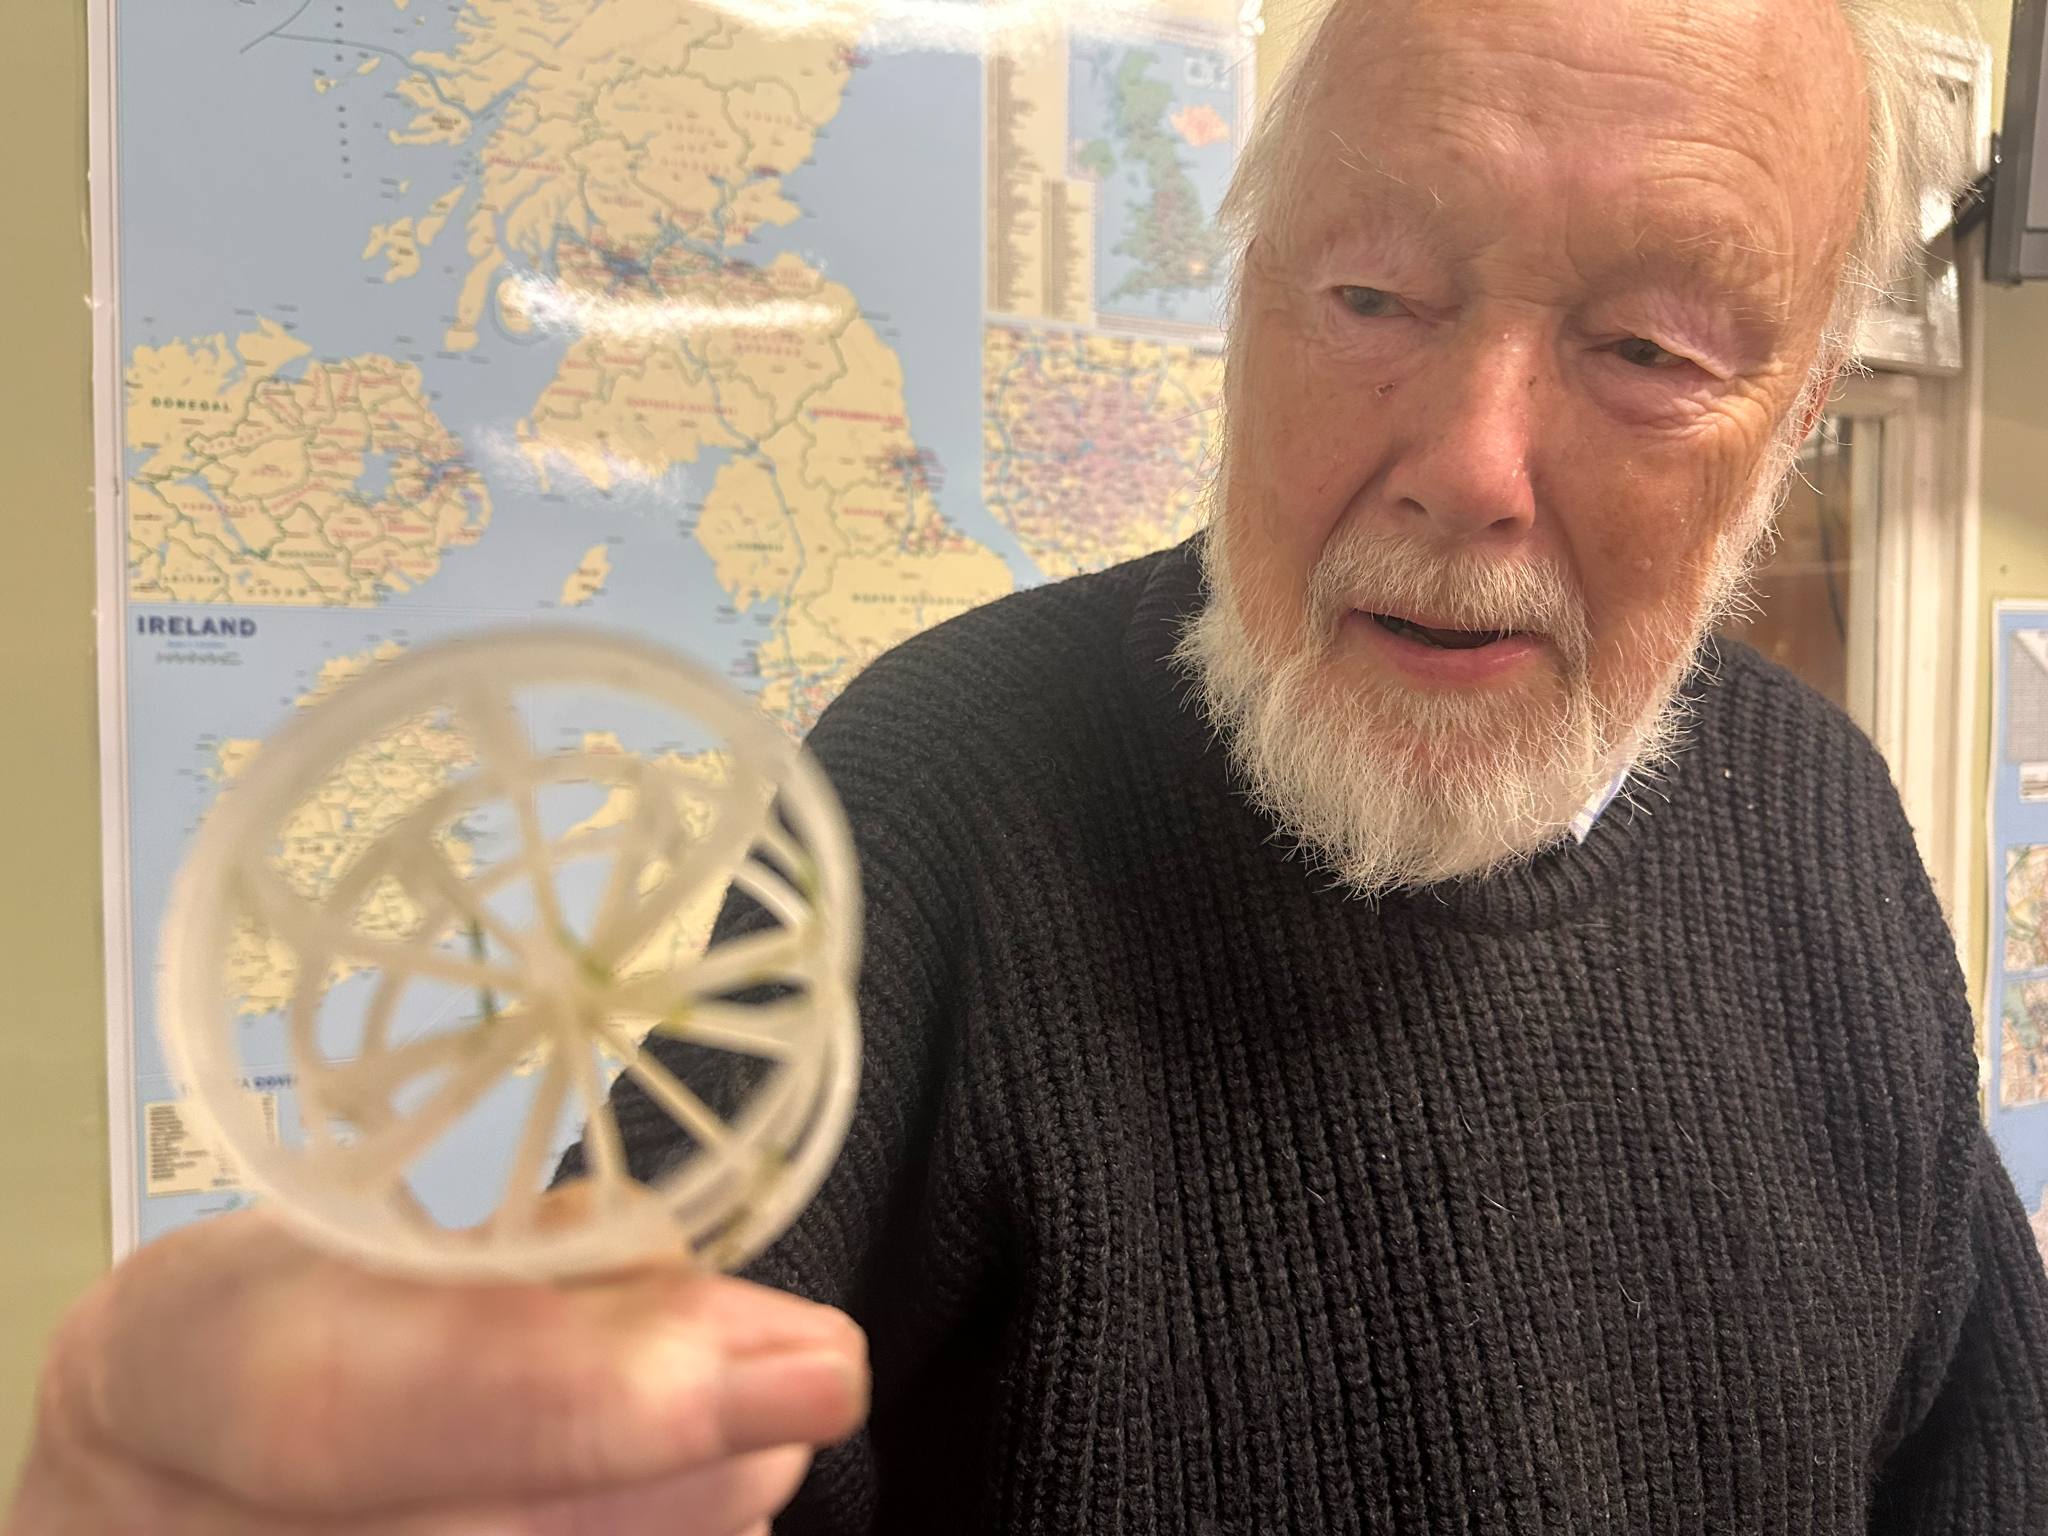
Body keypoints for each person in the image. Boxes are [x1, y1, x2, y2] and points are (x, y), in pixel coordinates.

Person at [12, 0, 2048, 1529]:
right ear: (1244, 298)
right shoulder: (935, 791)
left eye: (1650, 352)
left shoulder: (1825, 818)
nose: (1468, 463)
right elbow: (577, 1420)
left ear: (1796, 419)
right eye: (1369, 293)